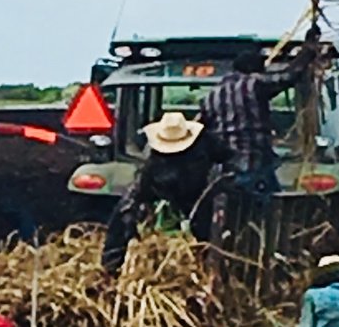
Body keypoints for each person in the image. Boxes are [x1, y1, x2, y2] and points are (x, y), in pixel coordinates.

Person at [101, 108, 211, 270]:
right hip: (182, 203)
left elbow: (142, 184)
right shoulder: (196, 157)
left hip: (173, 202)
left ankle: (112, 265)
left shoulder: (154, 156)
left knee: (123, 214)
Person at [197, 64, 280, 237]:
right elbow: (286, 78)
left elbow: (201, 132)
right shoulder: (253, 84)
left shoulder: (210, 97)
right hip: (255, 166)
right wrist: (306, 55)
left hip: (226, 171)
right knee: (267, 211)